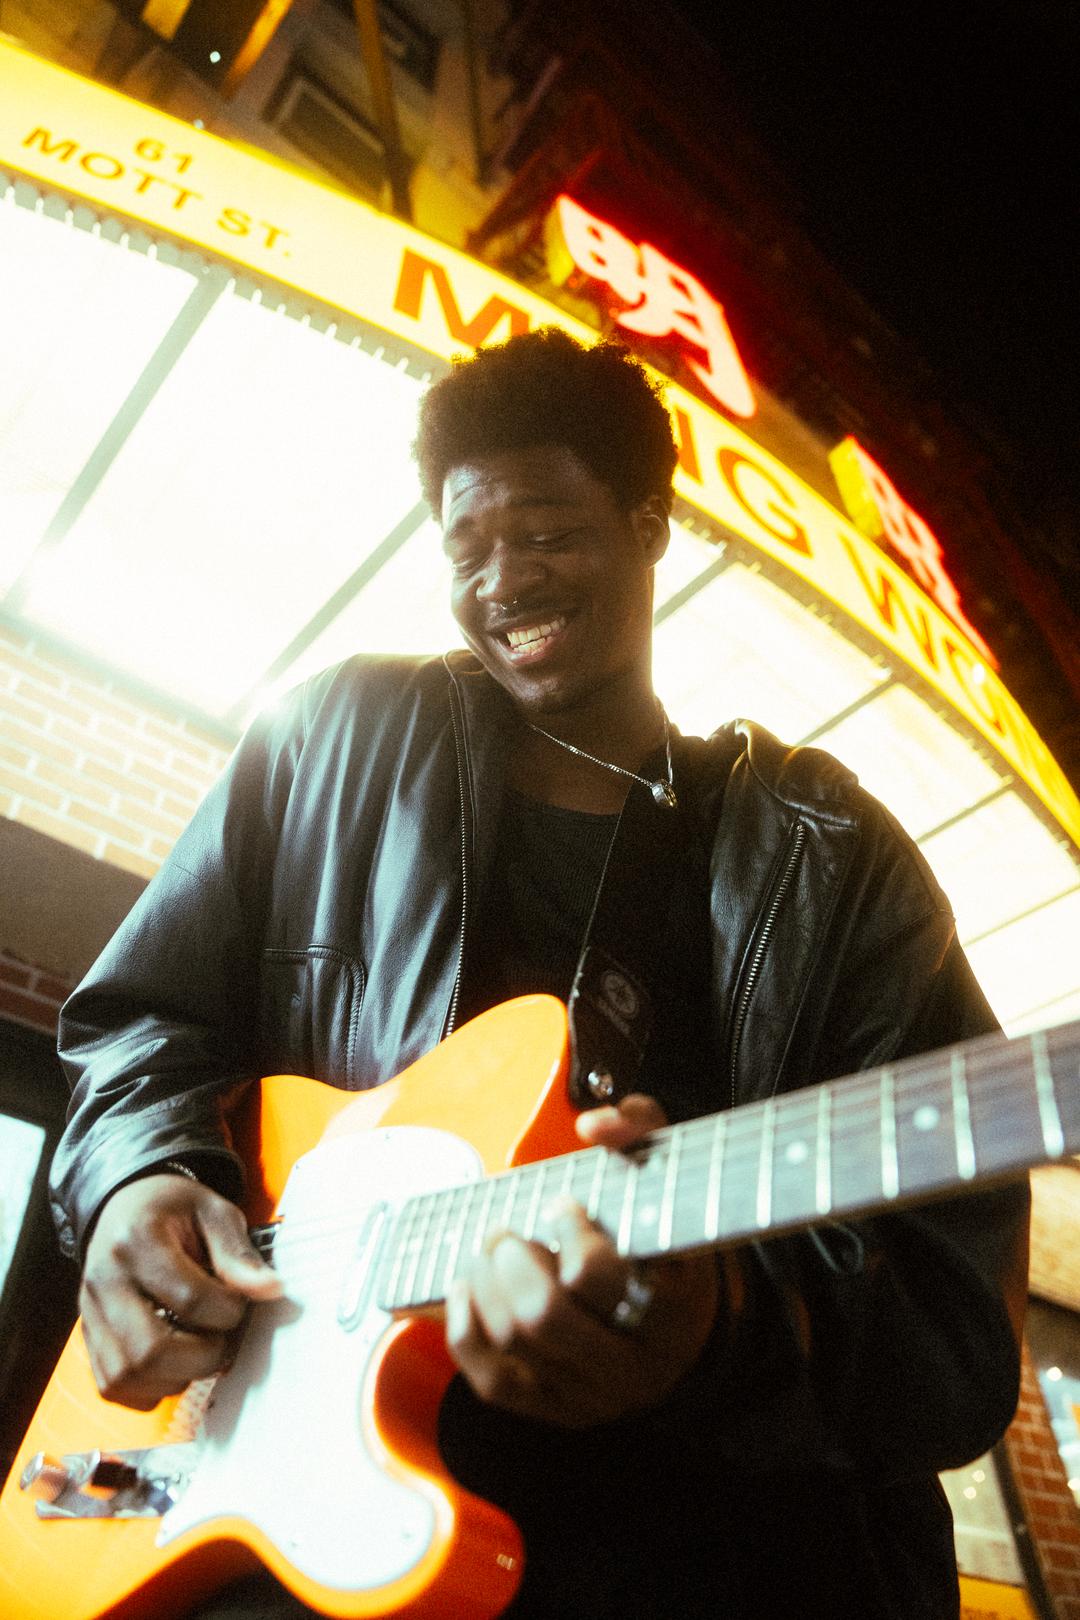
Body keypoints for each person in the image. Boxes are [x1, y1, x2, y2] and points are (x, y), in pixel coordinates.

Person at [52, 328, 1029, 1619]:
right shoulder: (328, 736)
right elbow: (140, 1022)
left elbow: (951, 1333)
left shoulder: (832, 858)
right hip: (259, 1549)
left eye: (551, 531)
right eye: (468, 547)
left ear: (650, 523)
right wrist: (137, 1179)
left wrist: (717, 1331)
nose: (505, 579)